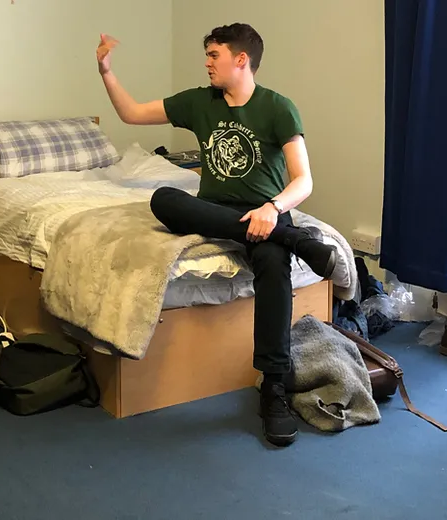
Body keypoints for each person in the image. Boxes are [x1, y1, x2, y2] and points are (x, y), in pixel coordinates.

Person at [97, 24, 338, 447]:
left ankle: (274, 387)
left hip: (265, 214)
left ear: (240, 59)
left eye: (214, 55)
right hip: (214, 212)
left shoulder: (278, 108)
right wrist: (106, 72)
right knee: (164, 198)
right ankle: (297, 241)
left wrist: (273, 209)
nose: (206, 63)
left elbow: (304, 180)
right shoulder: (199, 102)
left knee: (273, 263)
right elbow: (132, 113)